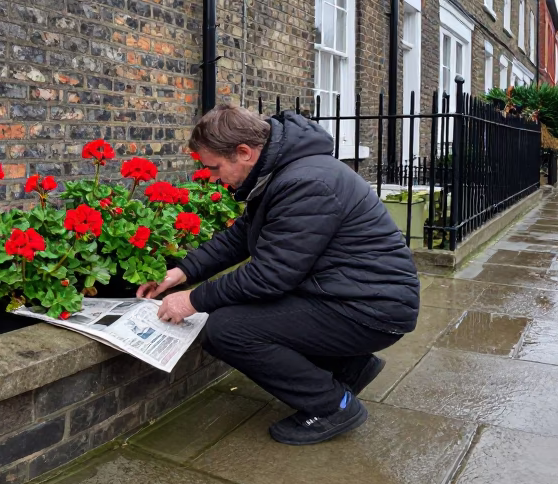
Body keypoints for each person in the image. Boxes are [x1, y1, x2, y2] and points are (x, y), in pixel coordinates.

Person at [139, 105, 419, 445]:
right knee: (241, 316)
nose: (211, 176)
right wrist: (184, 271)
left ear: (243, 152)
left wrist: (193, 300)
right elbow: (242, 235)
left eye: (214, 167)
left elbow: (270, 275)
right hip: (351, 295)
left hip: (370, 309)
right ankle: (349, 368)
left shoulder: (305, 182)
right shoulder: (284, 170)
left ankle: (332, 406)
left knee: (227, 330)